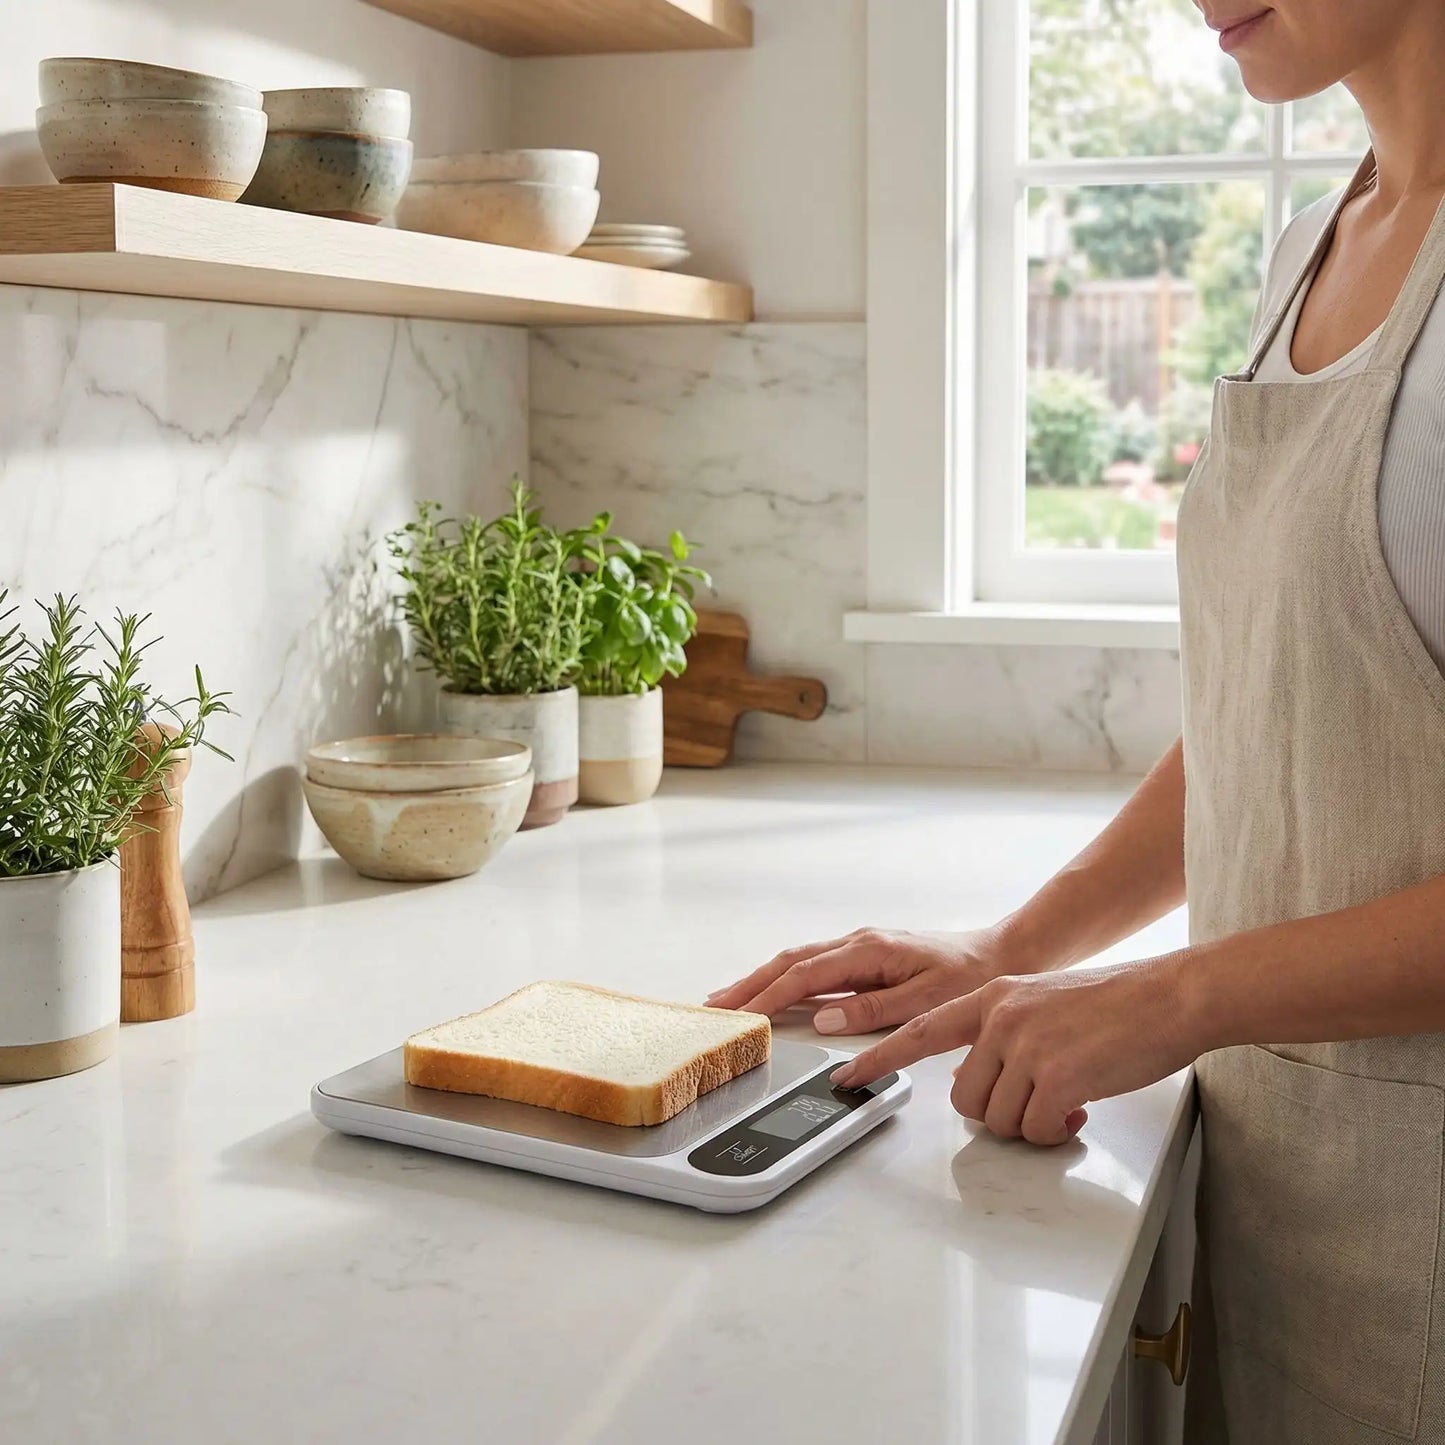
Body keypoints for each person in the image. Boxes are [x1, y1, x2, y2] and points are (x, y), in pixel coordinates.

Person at [708, 3, 1445, 1440]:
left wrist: (1178, 994)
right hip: (1284, 1190)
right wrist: (1014, 944)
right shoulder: (1313, 241)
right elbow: (1276, 708)